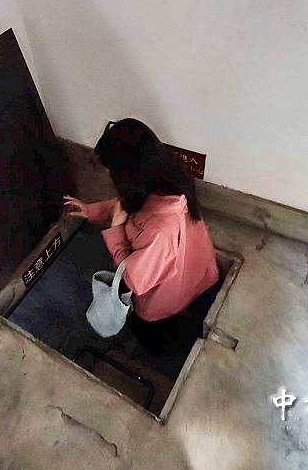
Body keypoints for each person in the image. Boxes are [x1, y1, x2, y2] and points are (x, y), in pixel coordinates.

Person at [63, 118, 220, 354]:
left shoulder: (160, 230)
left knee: (155, 339)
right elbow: (129, 202)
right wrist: (93, 210)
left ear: (128, 177)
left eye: (113, 173)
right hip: (198, 274)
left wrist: (116, 231)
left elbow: (132, 280)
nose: (110, 177)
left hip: (166, 302)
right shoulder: (168, 180)